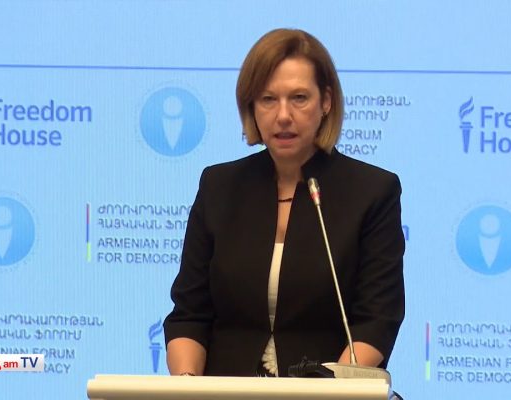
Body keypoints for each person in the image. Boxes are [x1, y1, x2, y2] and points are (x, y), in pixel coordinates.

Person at [163, 28, 405, 377]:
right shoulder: (219, 187)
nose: (283, 115)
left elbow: (376, 321)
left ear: (326, 102)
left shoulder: (372, 191)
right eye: (268, 99)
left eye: (299, 98)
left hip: (324, 390)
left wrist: (333, 389)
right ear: (251, 106)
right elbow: (189, 315)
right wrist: (187, 388)